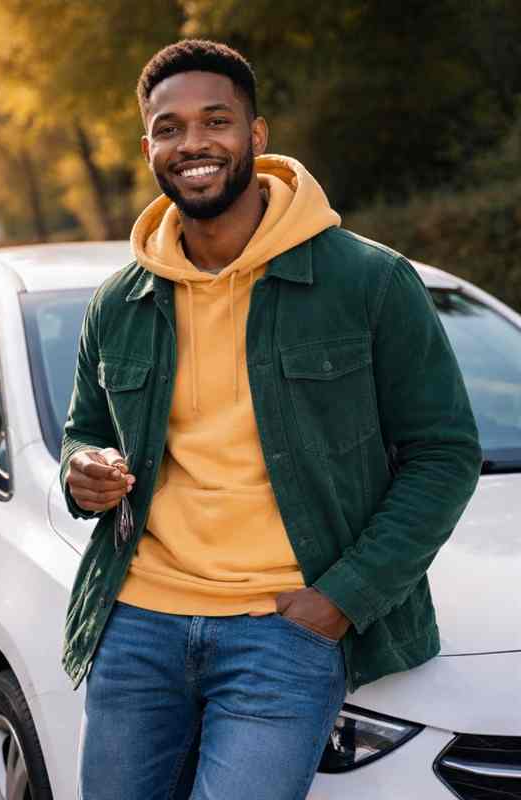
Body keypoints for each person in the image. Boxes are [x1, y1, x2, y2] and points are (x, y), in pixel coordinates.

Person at [60, 39, 482, 800]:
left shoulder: (367, 281)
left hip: (283, 633)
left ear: (256, 135)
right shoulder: (118, 302)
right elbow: (84, 430)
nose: (192, 143)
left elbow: (444, 453)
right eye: (168, 128)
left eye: (215, 121)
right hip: (137, 623)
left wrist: (341, 600)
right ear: (148, 149)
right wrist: (82, 470)